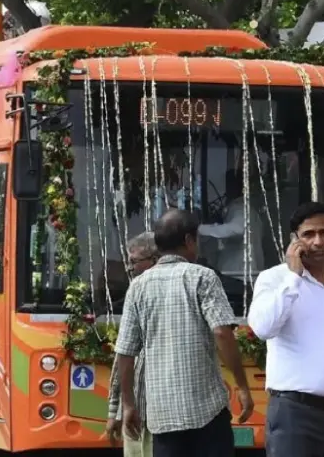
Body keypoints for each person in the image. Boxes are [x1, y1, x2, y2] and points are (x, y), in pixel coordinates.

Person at [115, 209, 253, 457]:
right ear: (190, 240)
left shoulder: (138, 286)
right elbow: (222, 333)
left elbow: (125, 353)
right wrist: (242, 386)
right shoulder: (203, 277)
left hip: (162, 417)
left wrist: (128, 405)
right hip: (207, 414)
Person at [247, 202, 324, 456]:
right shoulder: (274, 279)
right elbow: (262, 329)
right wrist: (294, 278)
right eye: (308, 234)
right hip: (295, 415)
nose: (317, 242)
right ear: (295, 240)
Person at [106, 231, 159, 457]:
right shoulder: (136, 292)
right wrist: (115, 412)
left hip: (164, 418)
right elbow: (124, 358)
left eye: (134, 262)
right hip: (138, 413)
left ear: (155, 260)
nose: (129, 268)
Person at [199, 169, 264, 276]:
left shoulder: (240, 208)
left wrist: (201, 229)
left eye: (230, 185)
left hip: (238, 276)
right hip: (243, 274)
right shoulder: (250, 210)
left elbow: (238, 229)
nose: (227, 189)